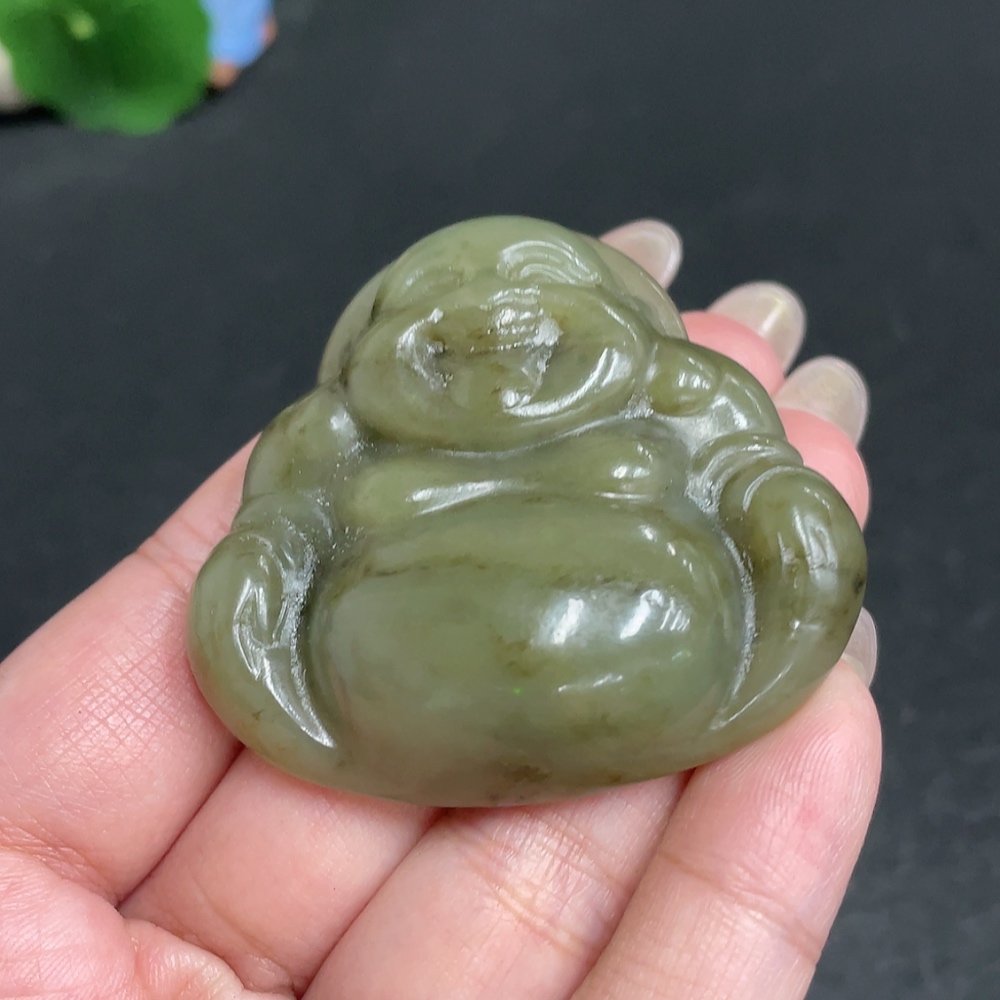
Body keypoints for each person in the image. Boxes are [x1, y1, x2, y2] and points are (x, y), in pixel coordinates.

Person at [0, 220, 880, 1000]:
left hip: (671, 629)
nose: (488, 309)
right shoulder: (337, 439)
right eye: (439, 290)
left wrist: (792, 565)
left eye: (538, 280)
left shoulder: (678, 400)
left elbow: (755, 483)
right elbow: (271, 547)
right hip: (378, 665)